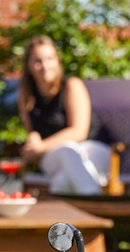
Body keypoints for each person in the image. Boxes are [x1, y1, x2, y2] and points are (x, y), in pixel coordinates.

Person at [18, 35, 111, 195]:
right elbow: (32, 133)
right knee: (66, 153)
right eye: (38, 61)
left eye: (49, 58)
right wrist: (32, 143)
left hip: (93, 150)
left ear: (57, 61)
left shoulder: (71, 86)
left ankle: (67, 217)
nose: (45, 65)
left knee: (62, 180)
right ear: (28, 65)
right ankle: (96, 207)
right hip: (54, 157)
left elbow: (79, 132)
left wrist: (40, 147)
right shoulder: (26, 96)